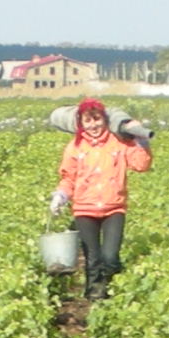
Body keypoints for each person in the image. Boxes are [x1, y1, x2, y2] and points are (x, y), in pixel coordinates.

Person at [50, 96, 150, 301]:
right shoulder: (75, 147)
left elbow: (141, 165)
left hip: (113, 208)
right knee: (92, 258)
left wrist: (142, 142)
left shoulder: (119, 143)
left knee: (110, 257)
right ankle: (94, 294)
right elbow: (68, 177)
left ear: (105, 120)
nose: (93, 125)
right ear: (80, 124)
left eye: (97, 119)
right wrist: (60, 196)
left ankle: (112, 285)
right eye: (88, 120)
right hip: (84, 209)